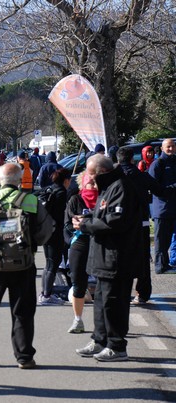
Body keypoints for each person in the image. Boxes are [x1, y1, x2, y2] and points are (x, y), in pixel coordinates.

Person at [0, 162, 54, 369]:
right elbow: (46, 229)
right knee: (22, 310)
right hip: (24, 262)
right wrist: (32, 245)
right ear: (20, 180)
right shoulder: (31, 200)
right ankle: (24, 357)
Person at [74, 154, 142, 361]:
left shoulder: (121, 187)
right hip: (103, 256)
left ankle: (117, 346)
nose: (89, 178)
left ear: (102, 171)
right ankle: (100, 340)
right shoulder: (108, 187)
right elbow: (104, 216)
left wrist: (86, 226)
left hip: (117, 257)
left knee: (114, 303)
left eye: (91, 173)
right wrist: (87, 219)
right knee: (101, 302)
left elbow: (116, 222)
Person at [117, 146, 173, 304]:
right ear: (132, 159)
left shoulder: (112, 175)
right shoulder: (141, 176)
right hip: (140, 222)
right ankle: (142, 293)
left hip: (117, 222)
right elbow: (160, 191)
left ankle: (120, 292)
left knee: (119, 257)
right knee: (142, 257)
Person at [64, 172, 98, 333]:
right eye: (89, 182)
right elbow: (67, 225)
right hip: (80, 244)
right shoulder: (75, 200)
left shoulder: (104, 199)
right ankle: (78, 320)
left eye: (95, 182)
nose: (92, 184)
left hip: (100, 243)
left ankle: (104, 323)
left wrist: (88, 223)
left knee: (103, 285)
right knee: (78, 282)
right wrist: (73, 237)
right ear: (82, 183)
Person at [38, 168, 72, 306]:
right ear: (66, 180)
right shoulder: (61, 192)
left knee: (48, 263)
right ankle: (47, 295)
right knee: (53, 263)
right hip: (55, 231)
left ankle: (44, 293)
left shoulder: (49, 189)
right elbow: (60, 214)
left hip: (45, 230)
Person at [148, 138, 176, 274]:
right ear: (163, 148)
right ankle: (159, 266)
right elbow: (154, 187)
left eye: (172, 146)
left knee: (168, 239)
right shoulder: (157, 164)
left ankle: (165, 264)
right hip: (161, 209)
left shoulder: (174, 162)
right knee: (160, 239)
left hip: (172, 208)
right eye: (168, 147)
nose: (171, 149)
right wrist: (172, 188)